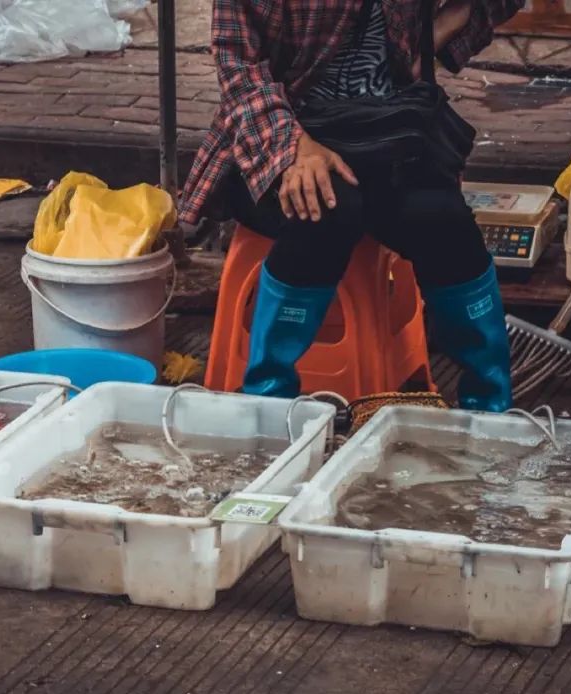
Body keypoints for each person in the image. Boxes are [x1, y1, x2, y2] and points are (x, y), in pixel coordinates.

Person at [180, 0, 522, 407]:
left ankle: (489, 406)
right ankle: (267, 400)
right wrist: (293, 148)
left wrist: (440, 30)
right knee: (325, 209)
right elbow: (239, 66)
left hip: (387, 134)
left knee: (441, 218)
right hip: (277, 135)